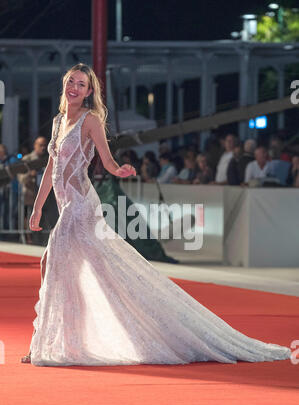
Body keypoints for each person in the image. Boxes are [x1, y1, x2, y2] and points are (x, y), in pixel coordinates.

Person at [21, 63, 291, 366]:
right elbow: (51, 169)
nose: (75, 88)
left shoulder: (90, 120)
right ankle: (60, 341)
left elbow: (106, 160)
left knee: (53, 263)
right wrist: (38, 206)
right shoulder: (59, 122)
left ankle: (52, 343)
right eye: (71, 81)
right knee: (88, 270)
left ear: (89, 91)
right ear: (64, 83)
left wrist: (119, 169)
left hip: (81, 206)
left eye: (82, 84)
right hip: (64, 205)